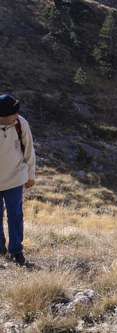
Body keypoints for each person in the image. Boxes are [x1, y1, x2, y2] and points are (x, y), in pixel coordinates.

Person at [0, 94, 36, 266]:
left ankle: (16, 250)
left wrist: (30, 175)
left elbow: (29, 150)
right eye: (12, 114)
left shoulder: (21, 124)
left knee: (15, 215)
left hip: (15, 178)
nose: (17, 116)